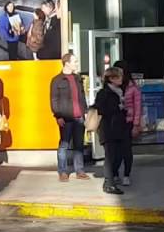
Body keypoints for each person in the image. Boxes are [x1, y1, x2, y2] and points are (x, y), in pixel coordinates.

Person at [50, 52, 89, 182]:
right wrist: (58, 116)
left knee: (79, 145)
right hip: (65, 117)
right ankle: (63, 171)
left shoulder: (77, 78)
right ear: (67, 63)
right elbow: (54, 99)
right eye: (75, 62)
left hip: (79, 117)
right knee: (64, 145)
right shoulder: (57, 80)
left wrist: (86, 111)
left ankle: (80, 170)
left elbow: (82, 96)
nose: (77, 64)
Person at [93, 67, 130, 195]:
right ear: (111, 79)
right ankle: (109, 183)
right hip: (108, 128)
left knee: (118, 155)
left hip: (118, 128)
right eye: (118, 77)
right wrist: (117, 107)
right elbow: (100, 109)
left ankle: (110, 180)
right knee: (110, 157)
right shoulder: (104, 93)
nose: (121, 79)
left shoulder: (119, 92)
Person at [112, 61, 142, 186]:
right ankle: (114, 173)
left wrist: (136, 124)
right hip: (115, 122)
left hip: (128, 122)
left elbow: (137, 107)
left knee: (126, 150)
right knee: (115, 151)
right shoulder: (112, 87)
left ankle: (126, 174)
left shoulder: (133, 87)